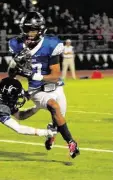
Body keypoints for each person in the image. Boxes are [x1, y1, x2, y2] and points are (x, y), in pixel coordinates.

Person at [8, 12, 80, 158]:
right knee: (54, 106)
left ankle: (51, 132)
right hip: (36, 90)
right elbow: (11, 73)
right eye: (26, 29)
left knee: (59, 121)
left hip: (55, 86)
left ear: (40, 30)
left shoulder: (50, 44)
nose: (28, 34)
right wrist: (15, 65)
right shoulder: (16, 44)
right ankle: (72, 144)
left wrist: (32, 74)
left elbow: (55, 76)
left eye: (32, 30)